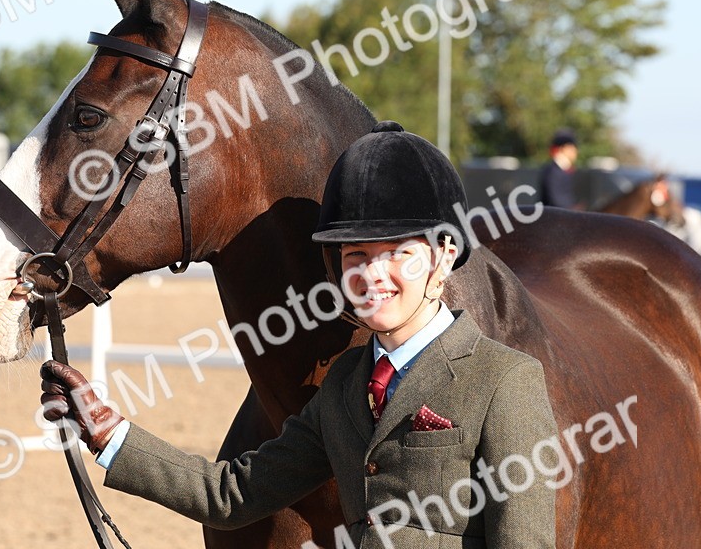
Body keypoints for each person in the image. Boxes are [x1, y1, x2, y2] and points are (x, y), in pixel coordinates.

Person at [41, 121, 558, 548]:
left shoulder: (504, 380)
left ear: (444, 256)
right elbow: (233, 495)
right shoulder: (344, 386)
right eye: (356, 257)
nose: (373, 276)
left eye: (399, 253)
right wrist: (109, 434)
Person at [537, 128, 578, 209]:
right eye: (571, 148)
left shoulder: (563, 169)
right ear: (562, 148)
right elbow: (556, 201)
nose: (575, 151)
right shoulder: (552, 172)